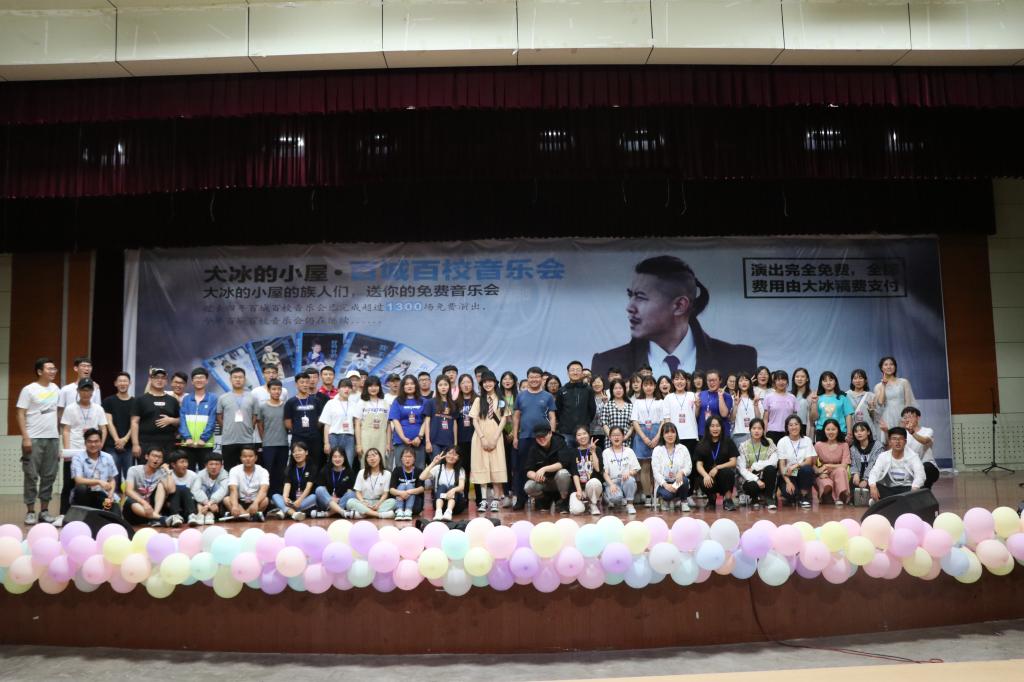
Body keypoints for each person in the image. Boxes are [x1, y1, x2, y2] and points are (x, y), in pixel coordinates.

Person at [591, 255, 757, 379]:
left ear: (679, 305)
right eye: (631, 295)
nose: (629, 307)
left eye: (641, 297)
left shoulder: (738, 359)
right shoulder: (606, 363)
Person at [16, 357, 61, 525]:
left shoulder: (56, 388)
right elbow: (20, 413)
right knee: (31, 476)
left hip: (52, 438)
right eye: (50, 369)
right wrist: (26, 437)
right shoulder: (29, 389)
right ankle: (30, 511)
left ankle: (44, 511)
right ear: (40, 371)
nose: (53, 371)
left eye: (54, 369)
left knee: (49, 476)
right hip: (33, 438)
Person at [59, 378, 109, 516]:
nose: (86, 393)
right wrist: (68, 451)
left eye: (89, 390)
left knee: (91, 486)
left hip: (92, 452)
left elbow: (103, 429)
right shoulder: (70, 408)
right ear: (78, 391)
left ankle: (91, 514)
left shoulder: (98, 409)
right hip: (74, 451)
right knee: (68, 484)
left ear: (93, 392)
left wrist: (100, 446)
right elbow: (66, 430)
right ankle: (63, 514)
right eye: (83, 390)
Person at [511, 367, 556, 510]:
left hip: (543, 438)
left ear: (542, 379)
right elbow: (516, 417)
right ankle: (520, 499)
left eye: (537, 377)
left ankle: (542, 499)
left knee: (542, 468)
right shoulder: (521, 396)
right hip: (525, 437)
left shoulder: (548, 396)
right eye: (531, 377)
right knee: (522, 469)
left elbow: (552, 417)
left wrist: (552, 435)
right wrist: (515, 436)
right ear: (527, 378)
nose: (534, 379)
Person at [471, 371, 507, 513]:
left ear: (495, 382)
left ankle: (496, 500)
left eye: (490, 381)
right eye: (484, 382)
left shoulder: (501, 400)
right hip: (480, 438)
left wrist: (494, 438)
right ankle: (484, 500)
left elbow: (503, 419)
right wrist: (483, 438)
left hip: (496, 438)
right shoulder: (478, 400)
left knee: (496, 466)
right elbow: (474, 420)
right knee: (482, 467)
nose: (487, 384)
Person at [630, 375, 665, 508]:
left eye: (651, 384)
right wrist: (644, 437)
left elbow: (663, 420)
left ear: (655, 386)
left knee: (657, 467)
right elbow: (634, 421)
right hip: (641, 433)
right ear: (642, 387)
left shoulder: (660, 401)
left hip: (657, 432)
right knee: (645, 467)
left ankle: (658, 495)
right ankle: (648, 496)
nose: (648, 387)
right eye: (646, 385)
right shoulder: (637, 402)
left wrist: (658, 436)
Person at [130, 367, 181, 459]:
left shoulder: (173, 400)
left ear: (166, 381)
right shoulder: (140, 400)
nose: (159, 380)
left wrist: (171, 420)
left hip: (168, 443)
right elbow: (134, 422)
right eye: (156, 377)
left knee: (166, 467)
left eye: (162, 378)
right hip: (146, 443)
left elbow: (181, 420)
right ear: (150, 379)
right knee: (146, 468)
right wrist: (135, 444)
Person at [523, 424, 572, 513]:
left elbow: (564, 463)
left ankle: (563, 501)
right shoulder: (533, 447)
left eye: (543, 436)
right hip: (544, 482)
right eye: (538, 437)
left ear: (550, 433)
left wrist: (544, 469)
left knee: (563, 473)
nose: (541, 439)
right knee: (528, 486)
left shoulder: (560, 442)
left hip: (558, 480)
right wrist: (536, 476)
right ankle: (544, 499)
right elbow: (528, 470)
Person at [694, 415, 739, 511]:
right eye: (712, 426)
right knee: (702, 479)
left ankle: (728, 500)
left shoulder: (728, 441)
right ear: (708, 428)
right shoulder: (701, 444)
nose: (715, 429)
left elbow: (733, 462)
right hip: (709, 476)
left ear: (721, 427)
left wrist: (718, 467)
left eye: (718, 426)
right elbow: (699, 465)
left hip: (723, 475)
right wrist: (705, 475)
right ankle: (711, 499)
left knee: (728, 472)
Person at [123, 446, 177, 527]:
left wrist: (168, 471)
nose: (156, 459)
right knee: (129, 500)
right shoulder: (134, 470)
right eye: (154, 456)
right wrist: (144, 503)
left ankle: (155, 517)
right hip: (135, 511)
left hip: (151, 510)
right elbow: (128, 490)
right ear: (146, 456)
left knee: (161, 485)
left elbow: (171, 490)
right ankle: (159, 518)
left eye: (159, 457)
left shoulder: (162, 472)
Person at [216, 367, 258, 471]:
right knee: (229, 470)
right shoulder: (223, 397)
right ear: (230, 379)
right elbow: (219, 416)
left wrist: (250, 427)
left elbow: (255, 416)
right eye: (235, 377)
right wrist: (226, 427)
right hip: (228, 441)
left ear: (245, 379)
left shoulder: (252, 397)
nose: (238, 379)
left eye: (240, 377)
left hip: (247, 440)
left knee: (247, 469)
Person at [284, 369, 326, 472]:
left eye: (307, 382)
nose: (305, 385)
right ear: (296, 384)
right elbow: (287, 422)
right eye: (302, 382)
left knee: (316, 463)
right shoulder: (291, 402)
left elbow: (321, 420)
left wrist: (313, 429)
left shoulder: (316, 400)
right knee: (296, 463)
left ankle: (314, 482)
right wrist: (298, 430)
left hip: (314, 438)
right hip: (298, 438)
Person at [868, 427, 926, 500]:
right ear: (889, 441)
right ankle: (892, 502)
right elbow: (874, 472)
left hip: (908, 489)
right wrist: (872, 486)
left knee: (921, 489)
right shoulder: (883, 456)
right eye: (894, 439)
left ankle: (888, 502)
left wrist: (914, 488)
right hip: (890, 489)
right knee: (873, 484)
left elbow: (920, 475)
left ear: (905, 441)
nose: (897, 442)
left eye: (900, 439)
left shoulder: (913, 456)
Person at [70, 429, 119, 513]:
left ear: (101, 442)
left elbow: (112, 480)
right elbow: (78, 480)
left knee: (114, 510)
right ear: (85, 443)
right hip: (84, 495)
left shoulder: (108, 457)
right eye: (90, 442)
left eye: (96, 441)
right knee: (81, 488)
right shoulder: (78, 458)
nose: (93, 444)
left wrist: (110, 494)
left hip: (102, 494)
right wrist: (99, 482)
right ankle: (82, 513)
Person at [389, 375, 433, 469]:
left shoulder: (424, 401)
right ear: (403, 386)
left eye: (412, 384)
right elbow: (395, 421)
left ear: (416, 385)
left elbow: (426, 420)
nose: (409, 386)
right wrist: (403, 438)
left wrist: (420, 437)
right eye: (406, 384)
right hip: (401, 442)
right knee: (401, 469)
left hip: (418, 442)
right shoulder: (397, 401)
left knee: (419, 469)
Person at [178, 367, 216, 471]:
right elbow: (182, 420)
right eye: (196, 378)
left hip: (205, 444)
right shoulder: (186, 399)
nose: (199, 380)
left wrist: (203, 438)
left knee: (206, 474)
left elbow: (212, 421)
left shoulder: (213, 398)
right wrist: (187, 437)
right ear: (192, 381)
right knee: (188, 473)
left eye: (202, 377)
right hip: (187, 443)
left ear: (206, 380)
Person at [256, 378, 289, 496]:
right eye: (274, 389)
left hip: (283, 444)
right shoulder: (262, 407)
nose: (276, 391)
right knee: (268, 472)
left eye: (279, 389)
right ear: (269, 390)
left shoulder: (286, 406)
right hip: (268, 444)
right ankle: (268, 497)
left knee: (281, 472)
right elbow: (260, 425)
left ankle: (278, 497)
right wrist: (264, 439)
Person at [737, 419, 778, 510]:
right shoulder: (743, 446)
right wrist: (757, 479)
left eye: (759, 428)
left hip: (766, 477)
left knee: (770, 469)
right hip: (751, 478)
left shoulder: (769, 442)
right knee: (752, 485)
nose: (756, 431)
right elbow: (742, 469)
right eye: (754, 428)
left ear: (763, 430)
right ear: (750, 430)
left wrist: (755, 466)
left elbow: (774, 461)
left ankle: (769, 498)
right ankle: (754, 498)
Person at [269, 441, 316, 521]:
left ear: (306, 452)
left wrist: (299, 500)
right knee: (275, 496)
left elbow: (308, 487)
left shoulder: (311, 467)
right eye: (294, 452)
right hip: (291, 501)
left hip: (304, 500)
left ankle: (285, 511)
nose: (297, 453)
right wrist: (285, 497)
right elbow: (287, 485)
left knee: (314, 497)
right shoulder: (290, 468)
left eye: (300, 450)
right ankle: (294, 513)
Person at [102, 371, 135, 483]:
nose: (122, 383)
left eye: (125, 381)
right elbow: (108, 422)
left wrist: (125, 439)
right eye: (120, 381)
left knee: (129, 479)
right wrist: (117, 440)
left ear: (130, 383)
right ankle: (113, 495)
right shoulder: (108, 401)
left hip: (129, 446)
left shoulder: (135, 402)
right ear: (115, 383)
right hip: (112, 445)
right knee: (113, 479)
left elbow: (135, 423)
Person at [651, 422, 692, 512]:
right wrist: (666, 485)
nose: (670, 435)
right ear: (662, 435)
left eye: (672, 432)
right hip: (663, 483)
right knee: (668, 495)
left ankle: (683, 502)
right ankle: (666, 500)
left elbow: (688, 467)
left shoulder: (683, 448)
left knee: (684, 480)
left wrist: (681, 472)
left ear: (676, 434)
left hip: (677, 481)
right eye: (667, 432)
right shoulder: (657, 450)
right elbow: (656, 472)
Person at [777, 415, 816, 509]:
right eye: (790, 425)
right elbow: (782, 466)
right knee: (789, 494)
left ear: (800, 426)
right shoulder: (782, 441)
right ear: (787, 427)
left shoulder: (807, 440)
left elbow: (809, 461)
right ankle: (793, 494)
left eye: (796, 424)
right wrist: (788, 482)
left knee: (807, 469)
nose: (794, 427)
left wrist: (796, 466)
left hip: (802, 473)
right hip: (788, 474)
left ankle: (804, 496)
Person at [556, 360, 596, 448]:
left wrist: (585, 422)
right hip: (566, 432)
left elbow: (592, 410)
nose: (575, 372)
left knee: (584, 455)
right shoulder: (562, 390)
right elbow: (558, 410)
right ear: (568, 373)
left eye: (578, 370)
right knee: (567, 454)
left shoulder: (588, 389)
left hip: (583, 432)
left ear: (582, 373)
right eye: (572, 370)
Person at [601, 426, 641, 514]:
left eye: (618, 435)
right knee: (616, 498)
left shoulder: (629, 451)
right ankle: (609, 496)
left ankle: (630, 504)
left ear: (623, 437)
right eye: (613, 435)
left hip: (625, 480)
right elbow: (605, 472)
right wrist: (611, 484)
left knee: (630, 480)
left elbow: (636, 468)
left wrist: (629, 472)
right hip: (613, 481)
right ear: (610, 437)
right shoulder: (606, 452)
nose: (616, 437)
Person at [896, 406, 938, 489]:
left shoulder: (928, 430)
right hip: (909, 468)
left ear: (918, 418)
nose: (907, 419)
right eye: (905, 417)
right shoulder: (902, 434)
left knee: (926, 467)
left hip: (927, 467)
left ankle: (924, 489)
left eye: (910, 416)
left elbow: (924, 440)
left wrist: (912, 432)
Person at [347, 448, 395, 519]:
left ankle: (363, 514)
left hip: (379, 502)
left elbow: (385, 493)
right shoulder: (361, 472)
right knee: (350, 502)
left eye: (374, 455)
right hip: (364, 502)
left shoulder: (387, 474)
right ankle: (378, 515)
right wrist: (363, 502)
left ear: (380, 457)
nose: (372, 459)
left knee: (393, 502)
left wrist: (379, 503)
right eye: (369, 457)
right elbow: (357, 492)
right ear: (366, 460)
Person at [355, 375, 390, 469]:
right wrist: (358, 444)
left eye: (376, 385)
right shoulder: (361, 403)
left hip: (381, 439)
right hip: (365, 439)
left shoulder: (385, 403)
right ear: (366, 388)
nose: (373, 388)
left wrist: (388, 443)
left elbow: (388, 425)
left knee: (381, 464)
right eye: (370, 386)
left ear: (379, 387)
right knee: (366, 464)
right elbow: (357, 425)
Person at [225, 446, 269, 521]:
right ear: (241, 458)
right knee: (226, 500)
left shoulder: (263, 471)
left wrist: (255, 503)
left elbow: (264, 490)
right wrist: (235, 505)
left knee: (265, 500)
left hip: (255, 501)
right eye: (244, 456)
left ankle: (241, 517)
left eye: (251, 456)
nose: (248, 459)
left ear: (256, 458)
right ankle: (250, 518)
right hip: (239, 502)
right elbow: (233, 490)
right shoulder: (234, 470)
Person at [320, 378, 357, 468]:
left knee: (348, 465)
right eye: (344, 387)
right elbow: (327, 424)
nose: (347, 390)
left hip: (349, 438)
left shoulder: (354, 404)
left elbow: (356, 424)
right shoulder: (331, 403)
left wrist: (357, 443)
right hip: (334, 437)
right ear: (338, 389)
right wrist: (326, 443)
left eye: (349, 387)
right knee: (333, 465)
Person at [566, 426, 603, 516]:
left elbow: (598, 469)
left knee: (594, 482)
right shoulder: (573, 452)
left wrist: (593, 452)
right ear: (576, 438)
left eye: (584, 433)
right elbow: (574, 473)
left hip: (592, 487)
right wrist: (579, 490)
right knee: (576, 510)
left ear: (589, 434)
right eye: (579, 435)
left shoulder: (597, 449)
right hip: (578, 487)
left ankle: (593, 504)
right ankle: (585, 504)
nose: (582, 436)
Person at [874, 356, 917, 432]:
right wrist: (883, 385)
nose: (889, 367)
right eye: (886, 365)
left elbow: (908, 402)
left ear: (895, 367)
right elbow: (880, 402)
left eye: (891, 364)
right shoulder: (878, 386)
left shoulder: (904, 382)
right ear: (881, 368)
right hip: (887, 417)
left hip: (903, 414)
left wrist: (906, 418)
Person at [814, 419, 852, 506]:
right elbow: (812, 464)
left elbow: (844, 465)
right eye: (828, 429)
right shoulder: (818, 445)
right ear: (824, 431)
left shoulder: (844, 445)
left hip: (837, 472)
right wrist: (819, 472)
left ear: (838, 430)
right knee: (827, 486)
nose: (830, 432)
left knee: (841, 470)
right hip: (824, 473)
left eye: (833, 429)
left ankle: (839, 497)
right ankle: (826, 496)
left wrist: (827, 465)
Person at [809, 371, 854, 442]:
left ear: (835, 382)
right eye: (825, 380)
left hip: (840, 431)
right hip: (822, 432)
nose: (828, 383)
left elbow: (848, 415)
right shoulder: (817, 398)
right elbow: (814, 419)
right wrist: (814, 403)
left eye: (830, 380)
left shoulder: (842, 397)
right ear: (821, 383)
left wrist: (849, 433)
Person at [423, 448, 468, 521]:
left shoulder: (460, 470)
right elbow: (422, 477)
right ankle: (438, 512)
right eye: (449, 453)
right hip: (440, 503)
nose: (451, 456)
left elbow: (461, 487)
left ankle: (448, 512)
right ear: (445, 455)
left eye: (455, 455)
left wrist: (453, 490)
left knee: (452, 487)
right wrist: (433, 463)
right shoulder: (438, 468)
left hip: (456, 506)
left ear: (458, 458)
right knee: (442, 486)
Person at [313, 447, 357, 519]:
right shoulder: (325, 470)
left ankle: (328, 514)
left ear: (344, 458)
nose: (337, 459)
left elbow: (349, 490)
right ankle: (342, 512)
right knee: (319, 489)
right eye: (335, 457)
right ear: (331, 458)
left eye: (340, 456)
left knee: (352, 494)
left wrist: (338, 499)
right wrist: (330, 499)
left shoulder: (349, 472)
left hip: (341, 502)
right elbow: (323, 489)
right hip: (326, 503)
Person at [663, 370, 698, 456]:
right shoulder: (668, 397)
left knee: (690, 462)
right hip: (675, 437)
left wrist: (698, 407)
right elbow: (667, 419)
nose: (679, 382)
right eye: (677, 379)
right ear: (672, 381)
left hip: (691, 435)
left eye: (682, 379)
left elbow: (696, 415)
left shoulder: (692, 395)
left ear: (686, 381)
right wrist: (669, 434)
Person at [57, 356, 100, 422]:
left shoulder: (95, 388)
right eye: (83, 366)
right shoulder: (65, 389)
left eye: (89, 366)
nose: (87, 368)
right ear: (76, 368)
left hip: (90, 426)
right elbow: (60, 411)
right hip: (70, 426)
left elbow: (98, 410)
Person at [190, 453, 229, 525]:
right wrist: (207, 503)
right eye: (211, 464)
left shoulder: (225, 474)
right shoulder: (200, 474)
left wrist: (210, 503)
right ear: (206, 465)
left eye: (217, 464)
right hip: (204, 502)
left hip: (216, 503)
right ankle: (201, 514)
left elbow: (223, 491)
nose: (214, 467)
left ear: (221, 466)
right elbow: (195, 490)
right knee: (201, 488)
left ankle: (209, 514)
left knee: (219, 488)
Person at [428, 375, 458, 467]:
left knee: (447, 467)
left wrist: (455, 443)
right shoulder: (431, 402)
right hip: (434, 442)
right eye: (440, 385)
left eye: (445, 384)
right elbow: (427, 422)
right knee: (436, 467)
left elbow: (454, 424)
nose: (443, 387)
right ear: (436, 387)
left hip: (449, 442)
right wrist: (427, 441)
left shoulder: (453, 404)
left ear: (449, 386)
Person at [762, 370, 797, 446]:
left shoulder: (792, 397)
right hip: (772, 432)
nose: (781, 382)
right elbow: (765, 419)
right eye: (778, 380)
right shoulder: (768, 397)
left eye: (783, 379)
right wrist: (764, 434)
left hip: (789, 432)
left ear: (787, 382)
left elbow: (795, 418)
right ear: (774, 382)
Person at [165, 451, 200, 525]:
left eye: (186, 462)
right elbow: (170, 491)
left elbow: (195, 494)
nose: (185, 465)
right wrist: (169, 473)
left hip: (189, 506)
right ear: (173, 464)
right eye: (182, 462)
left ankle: (192, 516)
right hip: (172, 506)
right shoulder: (168, 474)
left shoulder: (193, 476)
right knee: (176, 489)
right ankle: (175, 516)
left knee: (185, 489)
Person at [389, 448, 425, 520]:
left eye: (410, 457)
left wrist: (408, 492)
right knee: (402, 485)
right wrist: (401, 493)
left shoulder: (419, 471)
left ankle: (408, 510)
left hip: (414, 501)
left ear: (414, 459)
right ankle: (399, 510)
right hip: (399, 498)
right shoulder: (397, 470)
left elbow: (421, 488)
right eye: (405, 456)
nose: (407, 459)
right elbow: (391, 490)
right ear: (401, 459)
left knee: (409, 485)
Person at [849, 421, 882, 498]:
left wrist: (866, 479)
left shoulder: (877, 446)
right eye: (856, 431)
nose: (859, 433)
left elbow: (874, 464)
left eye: (862, 430)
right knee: (852, 481)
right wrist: (855, 473)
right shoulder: (853, 448)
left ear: (868, 432)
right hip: (859, 475)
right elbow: (853, 463)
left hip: (874, 475)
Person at [697, 370, 733, 439]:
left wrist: (720, 397)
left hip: (721, 434)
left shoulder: (726, 396)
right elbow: (696, 415)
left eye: (714, 380)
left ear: (720, 381)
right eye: (709, 380)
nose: (711, 383)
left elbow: (724, 414)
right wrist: (697, 407)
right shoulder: (701, 394)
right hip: (704, 432)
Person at [600, 378, 634, 448]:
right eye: (615, 388)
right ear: (612, 390)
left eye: (620, 388)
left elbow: (632, 425)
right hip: (610, 442)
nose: (618, 390)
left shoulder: (630, 406)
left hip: (626, 442)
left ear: (624, 389)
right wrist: (611, 437)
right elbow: (604, 424)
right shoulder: (607, 405)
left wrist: (626, 437)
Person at [730, 372, 761, 449]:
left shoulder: (755, 398)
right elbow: (731, 419)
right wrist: (736, 404)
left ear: (750, 383)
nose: (744, 382)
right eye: (741, 380)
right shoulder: (733, 398)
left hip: (754, 433)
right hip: (738, 434)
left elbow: (758, 418)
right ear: (737, 383)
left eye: (746, 380)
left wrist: (756, 405)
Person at [846, 369, 879, 441]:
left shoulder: (871, 396)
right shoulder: (846, 395)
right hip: (851, 430)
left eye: (860, 378)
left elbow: (875, 418)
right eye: (855, 378)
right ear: (852, 381)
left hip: (866, 430)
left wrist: (872, 409)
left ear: (865, 380)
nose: (858, 381)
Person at [588, 375, 609, 454]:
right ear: (591, 384)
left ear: (603, 383)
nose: (597, 384)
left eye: (599, 382)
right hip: (591, 432)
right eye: (594, 382)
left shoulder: (609, 396)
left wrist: (606, 402)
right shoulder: (588, 397)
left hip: (605, 432)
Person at [791, 368, 813, 437]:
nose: (799, 379)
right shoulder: (789, 395)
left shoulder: (812, 395)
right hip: (791, 427)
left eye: (802, 376)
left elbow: (813, 417)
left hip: (806, 427)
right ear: (794, 379)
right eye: (797, 377)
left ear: (807, 379)